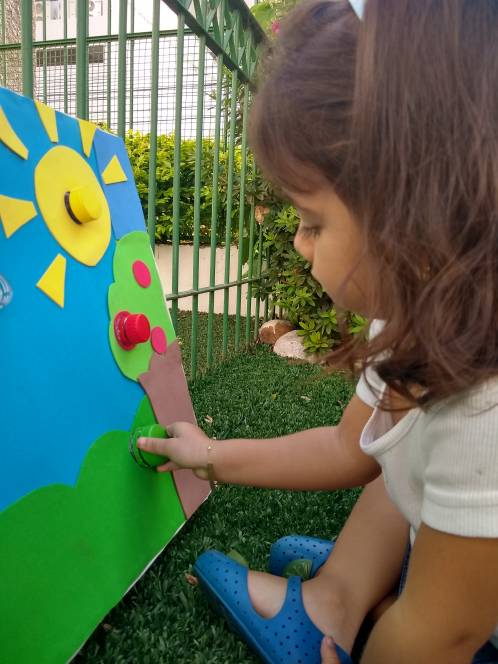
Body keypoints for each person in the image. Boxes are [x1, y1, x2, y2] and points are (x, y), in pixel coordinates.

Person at [138, 0, 498, 661]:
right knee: (394, 448)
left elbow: (442, 636)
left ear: (413, 204)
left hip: (472, 623)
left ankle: (380, 598)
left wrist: (408, 630)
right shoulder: (420, 313)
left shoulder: (486, 409)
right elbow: (348, 449)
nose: (300, 244)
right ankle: (337, 596)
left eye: (312, 222)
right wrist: (210, 454)